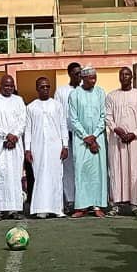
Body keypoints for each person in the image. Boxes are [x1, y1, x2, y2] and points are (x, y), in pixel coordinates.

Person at [105, 67, 137, 213]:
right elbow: (107, 116)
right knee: (116, 170)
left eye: (127, 74)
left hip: (135, 140)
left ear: (132, 77)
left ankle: (134, 205)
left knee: (134, 171)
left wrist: (134, 133)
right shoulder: (111, 96)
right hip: (116, 139)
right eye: (122, 75)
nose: (124, 77)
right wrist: (116, 129)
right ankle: (116, 204)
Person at [68, 66, 108, 218]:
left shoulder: (100, 93)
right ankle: (82, 206)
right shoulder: (74, 94)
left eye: (95, 77)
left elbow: (103, 116)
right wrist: (86, 136)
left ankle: (97, 205)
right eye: (90, 78)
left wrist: (95, 135)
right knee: (81, 171)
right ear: (83, 79)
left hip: (98, 139)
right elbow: (73, 118)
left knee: (98, 172)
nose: (93, 80)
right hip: (81, 140)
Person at [0, 75, 27, 220]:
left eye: (11, 86)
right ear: (0, 85)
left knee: (14, 177)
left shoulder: (19, 100)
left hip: (15, 145)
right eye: (6, 86)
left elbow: (22, 120)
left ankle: (14, 209)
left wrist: (14, 136)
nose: (8, 88)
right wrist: (6, 135)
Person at [25, 77, 68, 218]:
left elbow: (63, 126)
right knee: (40, 176)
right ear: (37, 89)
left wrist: (65, 145)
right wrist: (27, 149)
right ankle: (41, 209)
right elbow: (28, 130)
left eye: (47, 87)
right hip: (37, 147)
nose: (45, 89)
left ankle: (57, 209)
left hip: (55, 147)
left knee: (56, 176)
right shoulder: (31, 107)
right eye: (42, 87)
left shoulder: (57, 105)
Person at [54, 63, 81, 211]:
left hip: (83, 137)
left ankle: (84, 200)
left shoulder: (85, 90)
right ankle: (70, 199)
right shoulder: (61, 91)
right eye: (76, 73)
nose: (79, 76)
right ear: (70, 74)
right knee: (68, 168)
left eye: (80, 73)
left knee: (82, 168)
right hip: (67, 134)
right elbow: (58, 114)